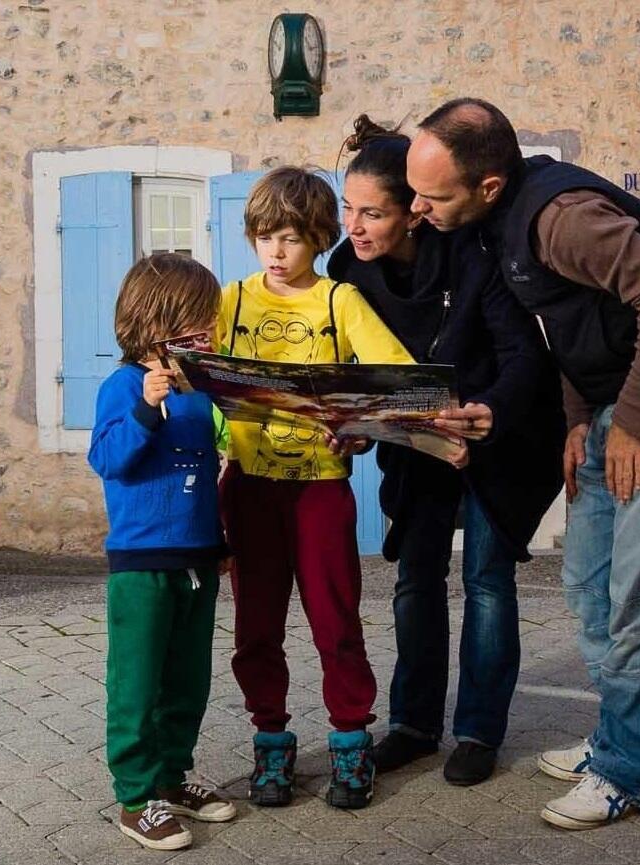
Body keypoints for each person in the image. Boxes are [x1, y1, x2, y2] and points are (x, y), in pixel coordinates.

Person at [409, 98, 640, 830]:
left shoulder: (561, 215)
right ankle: (615, 738)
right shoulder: (500, 225)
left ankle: (630, 769)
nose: (417, 207)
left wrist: (633, 421)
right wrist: (579, 419)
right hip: (614, 407)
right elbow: (573, 321)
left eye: (432, 196)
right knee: (590, 579)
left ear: (488, 185)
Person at [322, 116, 563, 787]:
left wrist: (484, 413)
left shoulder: (473, 256)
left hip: (496, 439)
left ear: (413, 215)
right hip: (416, 450)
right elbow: (347, 373)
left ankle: (479, 730)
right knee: (414, 581)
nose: (355, 226)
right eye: (348, 209)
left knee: (486, 579)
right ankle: (411, 725)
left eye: (372, 212)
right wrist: (350, 420)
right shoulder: (346, 275)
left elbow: (523, 357)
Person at [216, 166, 416, 810]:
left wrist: (357, 429)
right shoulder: (231, 300)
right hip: (249, 488)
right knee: (256, 626)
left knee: (336, 622)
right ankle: (271, 743)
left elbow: (401, 380)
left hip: (321, 490)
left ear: (320, 238)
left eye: (293, 238)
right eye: (265, 236)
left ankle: (351, 743)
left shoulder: (340, 301)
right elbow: (193, 375)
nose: (277, 251)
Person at [87, 253, 242, 851]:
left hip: (198, 559)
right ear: (157, 321)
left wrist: (220, 542)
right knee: (137, 681)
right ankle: (134, 795)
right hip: (141, 564)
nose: (208, 332)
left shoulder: (201, 395)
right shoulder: (122, 387)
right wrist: (146, 410)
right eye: (198, 321)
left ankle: (173, 779)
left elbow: (207, 475)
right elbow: (108, 460)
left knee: (188, 679)